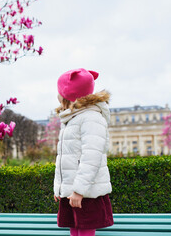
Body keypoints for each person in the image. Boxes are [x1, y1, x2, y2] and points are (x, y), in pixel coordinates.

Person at [53, 68, 114, 236]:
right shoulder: (73, 117)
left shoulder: (91, 118)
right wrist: (59, 186)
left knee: (85, 229)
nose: (58, 97)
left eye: (59, 93)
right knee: (75, 228)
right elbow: (65, 156)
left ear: (68, 95)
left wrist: (79, 190)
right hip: (73, 189)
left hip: (85, 190)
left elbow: (91, 157)